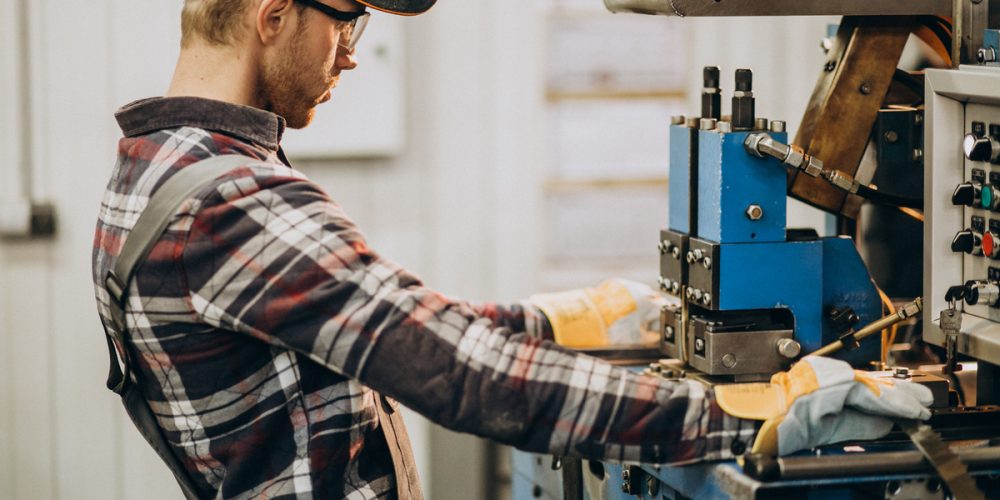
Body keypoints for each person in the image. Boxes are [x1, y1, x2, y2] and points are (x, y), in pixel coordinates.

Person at [91, 0, 933, 498]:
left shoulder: (157, 168)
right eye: (347, 20)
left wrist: (562, 321)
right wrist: (743, 418)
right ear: (275, 14)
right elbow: (460, 374)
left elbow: (385, 329)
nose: (351, 52)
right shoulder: (234, 203)